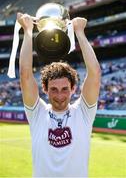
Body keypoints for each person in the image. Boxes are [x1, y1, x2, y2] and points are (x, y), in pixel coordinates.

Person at [17, 12, 101, 177]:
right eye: (54, 89)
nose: (60, 95)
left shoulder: (83, 112)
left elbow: (95, 73)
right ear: (45, 89)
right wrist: (27, 32)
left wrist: (80, 32)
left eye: (64, 89)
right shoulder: (37, 113)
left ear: (73, 89)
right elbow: (25, 74)